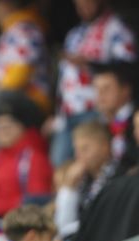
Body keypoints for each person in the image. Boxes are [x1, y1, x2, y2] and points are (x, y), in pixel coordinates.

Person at [48, 0, 135, 167]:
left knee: (95, 163)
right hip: (68, 112)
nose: (83, 8)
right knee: (61, 165)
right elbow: (64, 80)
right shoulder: (74, 34)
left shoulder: (116, 27)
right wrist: (57, 113)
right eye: (79, 5)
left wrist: (90, 64)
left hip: (95, 109)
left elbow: (128, 67)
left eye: (88, 3)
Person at [0, 96, 53, 220]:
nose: (2, 131)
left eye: (8, 126)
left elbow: (38, 204)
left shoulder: (34, 159)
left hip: (21, 225)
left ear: (22, 127)